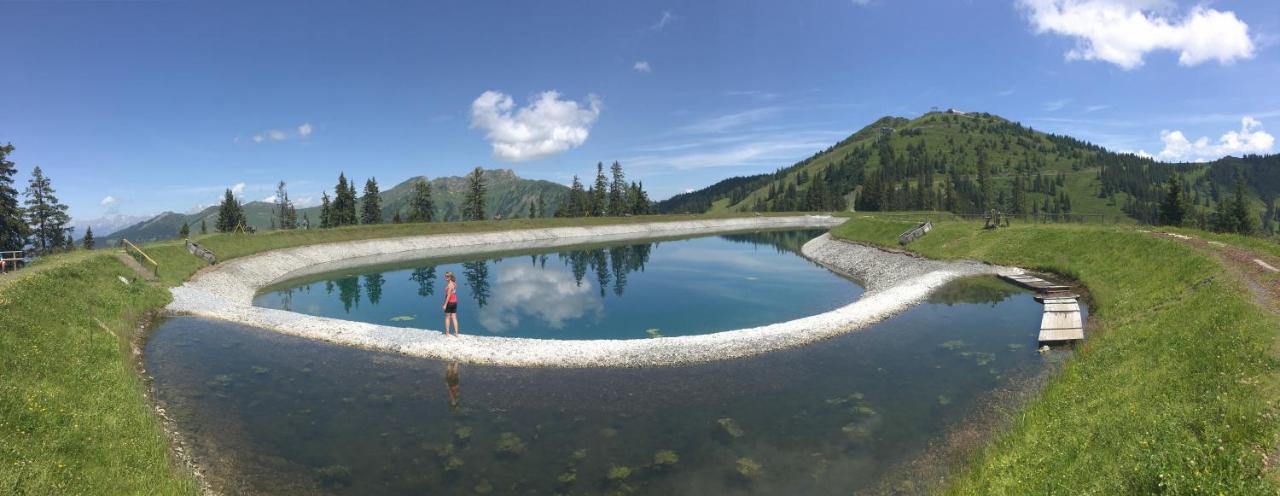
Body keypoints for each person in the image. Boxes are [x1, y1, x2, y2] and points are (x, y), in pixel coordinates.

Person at [442, 271, 460, 336]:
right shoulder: (454, 283)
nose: (446, 277)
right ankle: (456, 333)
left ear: (450, 277)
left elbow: (448, 296)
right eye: (445, 276)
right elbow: (453, 293)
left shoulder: (449, 285)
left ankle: (447, 333)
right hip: (455, 302)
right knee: (454, 317)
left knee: (447, 317)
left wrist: (445, 304)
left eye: (447, 276)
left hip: (449, 303)